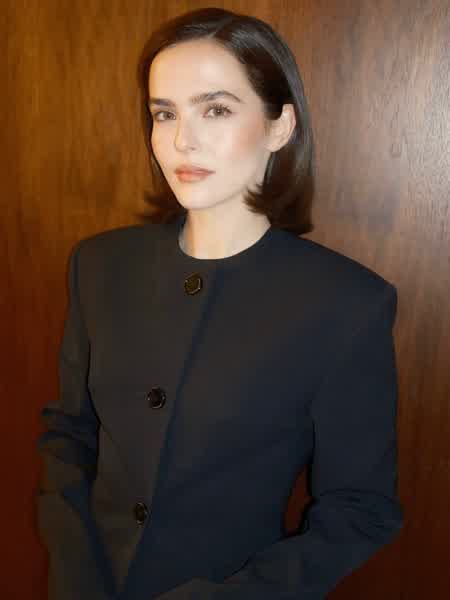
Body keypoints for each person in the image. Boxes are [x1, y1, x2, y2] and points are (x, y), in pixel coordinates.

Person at [36, 7, 403, 600]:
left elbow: (360, 508)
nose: (182, 139)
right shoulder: (100, 265)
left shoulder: (346, 304)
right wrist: (75, 576)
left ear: (280, 126)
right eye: (164, 113)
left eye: (215, 109)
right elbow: (70, 435)